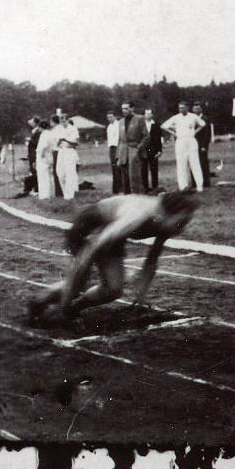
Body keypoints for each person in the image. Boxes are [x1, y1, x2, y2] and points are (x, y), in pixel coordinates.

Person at [28, 191, 198, 322]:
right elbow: (95, 245)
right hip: (89, 226)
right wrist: (69, 294)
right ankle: (39, 301)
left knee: (113, 289)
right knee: (77, 285)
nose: (182, 229)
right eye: (181, 222)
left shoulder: (166, 223)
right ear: (167, 214)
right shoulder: (138, 215)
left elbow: (152, 260)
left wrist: (141, 296)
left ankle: (76, 308)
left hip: (110, 235)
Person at [161, 101, 205, 191]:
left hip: (191, 140)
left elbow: (202, 124)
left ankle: (199, 185)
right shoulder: (176, 117)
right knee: (181, 164)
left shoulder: (193, 116)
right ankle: (183, 186)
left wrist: (195, 132)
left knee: (195, 163)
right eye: (180, 108)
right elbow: (164, 126)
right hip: (180, 141)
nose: (181, 109)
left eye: (183, 108)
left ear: (187, 108)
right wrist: (174, 132)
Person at [117, 101, 149, 194]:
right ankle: (127, 196)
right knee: (124, 177)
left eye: (126, 108)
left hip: (134, 150)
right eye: (123, 109)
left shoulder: (139, 119)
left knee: (135, 176)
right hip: (123, 152)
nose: (124, 111)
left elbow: (146, 136)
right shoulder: (120, 122)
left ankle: (138, 196)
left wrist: (138, 148)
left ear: (132, 108)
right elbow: (120, 140)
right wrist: (118, 156)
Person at [55, 114, 80, 199]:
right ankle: (65, 192)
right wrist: (59, 141)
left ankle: (69, 195)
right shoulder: (59, 129)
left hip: (70, 151)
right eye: (61, 121)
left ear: (68, 120)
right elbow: (57, 143)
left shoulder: (73, 129)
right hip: (61, 151)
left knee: (70, 173)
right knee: (60, 173)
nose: (63, 122)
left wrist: (65, 139)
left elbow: (76, 143)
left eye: (64, 121)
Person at [141, 108, 163, 192]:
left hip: (153, 150)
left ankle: (155, 187)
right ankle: (145, 187)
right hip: (144, 150)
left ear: (152, 115)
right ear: (144, 115)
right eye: (146, 114)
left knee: (154, 169)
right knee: (144, 169)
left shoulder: (156, 125)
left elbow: (159, 139)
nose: (148, 115)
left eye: (150, 113)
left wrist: (160, 150)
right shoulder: (141, 125)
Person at [192, 102, 212, 188]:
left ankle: (206, 183)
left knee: (203, 163)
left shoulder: (205, 119)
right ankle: (194, 183)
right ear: (192, 110)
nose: (196, 110)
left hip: (202, 144)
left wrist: (204, 146)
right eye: (195, 109)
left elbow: (208, 134)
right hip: (192, 144)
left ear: (201, 109)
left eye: (198, 108)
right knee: (193, 163)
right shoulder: (191, 119)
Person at [35, 120, 54, 199]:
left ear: (40, 127)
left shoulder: (44, 134)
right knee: (49, 175)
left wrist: (41, 154)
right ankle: (51, 193)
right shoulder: (50, 133)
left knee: (43, 176)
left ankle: (45, 195)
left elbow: (44, 145)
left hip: (43, 156)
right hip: (49, 155)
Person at [106, 110, 122, 194]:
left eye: (111, 117)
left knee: (118, 168)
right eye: (108, 117)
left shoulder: (118, 125)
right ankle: (115, 189)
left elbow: (119, 138)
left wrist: (118, 149)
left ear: (115, 116)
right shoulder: (109, 127)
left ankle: (120, 188)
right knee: (113, 168)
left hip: (117, 147)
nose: (109, 119)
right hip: (111, 148)